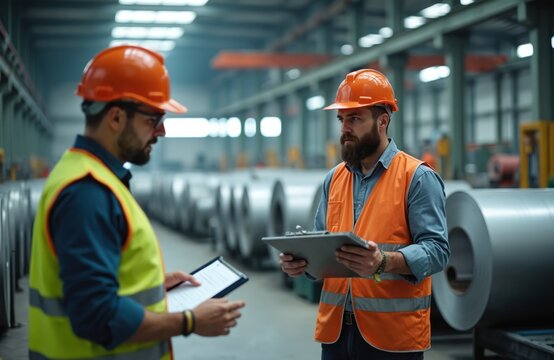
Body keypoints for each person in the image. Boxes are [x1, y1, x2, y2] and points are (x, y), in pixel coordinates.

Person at [28, 45, 245, 359]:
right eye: (153, 118)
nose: (161, 131)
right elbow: (98, 317)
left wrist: (157, 288)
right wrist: (189, 321)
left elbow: (99, 281)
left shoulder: (90, 176)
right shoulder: (88, 193)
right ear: (116, 117)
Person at [280, 69, 450, 360]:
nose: (345, 128)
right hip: (336, 334)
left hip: (392, 339)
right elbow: (323, 246)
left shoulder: (417, 177)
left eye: (355, 118)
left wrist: (384, 261)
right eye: (341, 119)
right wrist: (303, 265)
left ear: (382, 121)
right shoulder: (334, 179)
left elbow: (438, 251)